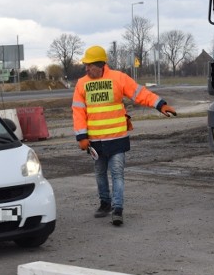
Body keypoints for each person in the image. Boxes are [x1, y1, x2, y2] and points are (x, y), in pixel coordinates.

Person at [72, 46, 177, 226]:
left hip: (117, 138)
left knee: (117, 174)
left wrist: (160, 105)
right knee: (99, 174)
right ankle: (105, 203)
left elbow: (140, 93)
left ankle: (117, 209)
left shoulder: (118, 78)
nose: (86, 69)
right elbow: (78, 112)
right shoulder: (81, 84)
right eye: (86, 66)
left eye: (89, 65)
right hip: (95, 141)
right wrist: (82, 137)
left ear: (100, 65)